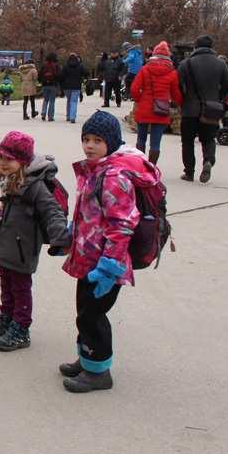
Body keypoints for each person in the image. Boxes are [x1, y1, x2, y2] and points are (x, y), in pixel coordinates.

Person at [59, 110, 161, 393]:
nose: (89, 145)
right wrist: (71, 236)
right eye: (86, 139)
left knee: (92, 316)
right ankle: (87, 359)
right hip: (88, 257)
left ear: (111, 143)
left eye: (97, 140)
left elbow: (122, 224)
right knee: (83, 312)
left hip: (106, 264)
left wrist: (109, 266)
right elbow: (90, 214)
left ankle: (99, 372)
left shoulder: (114, 176)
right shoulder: (96, 170)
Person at [0, 131, 70, 352]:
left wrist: (61, 235)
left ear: (22, 161)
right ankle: (7, 317)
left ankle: (21, 328)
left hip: (22, 248)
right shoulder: (11, 179)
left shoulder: (34, 185)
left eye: (8, 159)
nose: (2, 162)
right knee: (6, 283)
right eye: (0, 157)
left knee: (20, 288)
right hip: (6, 245)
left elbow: (52, 210)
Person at [177, 35, 228, 183]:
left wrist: (183, 100)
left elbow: (178, 85)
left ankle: (189, 172)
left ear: (195, 47)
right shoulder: (221, 64)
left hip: (189, 109)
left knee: (187, 141)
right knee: (208, 139)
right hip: (211, 109)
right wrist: (217, 98)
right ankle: (208, 161)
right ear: (211, 47)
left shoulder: (185, 64)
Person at [130, 41, 183, 165]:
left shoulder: (145, 69)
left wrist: (139, 99)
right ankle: (151, 167)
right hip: (161, 109)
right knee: (155, 143)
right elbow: (176, 94)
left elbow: (134, 89)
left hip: (144, 108)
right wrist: (180, 103)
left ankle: (140, 165)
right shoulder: (172, 73)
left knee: (141, 139)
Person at [60, 53, 85, 123]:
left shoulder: (65, 66)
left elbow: (61, 76)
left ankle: (68, 116)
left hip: (66, 87)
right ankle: (72, 117)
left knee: (69, 100)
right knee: (73, 101)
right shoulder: (80, 66)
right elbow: (86, 73)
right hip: (76, 86)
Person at [38, 53, 60, 121]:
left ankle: (43, 113)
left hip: (45, 85)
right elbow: (59, 75)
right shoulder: (56, 66)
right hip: (53, 85)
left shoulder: (44, 66)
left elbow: (39, 75)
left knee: (45, 99)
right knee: (52, 101)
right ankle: (50, 116)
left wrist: (42, 81)